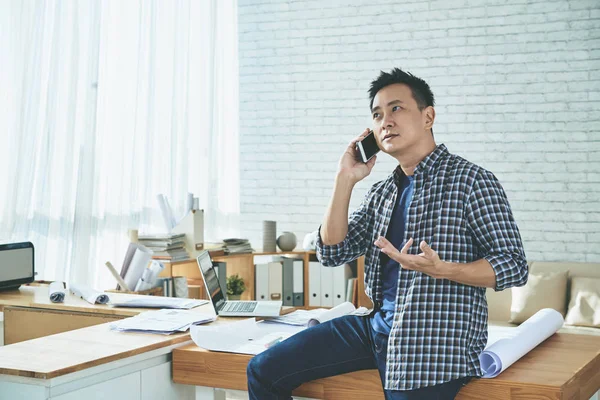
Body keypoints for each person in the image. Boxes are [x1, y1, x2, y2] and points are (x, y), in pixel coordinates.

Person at [247, 68, 528, 400]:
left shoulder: (472, 182)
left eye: (396, 108)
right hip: (375, 329)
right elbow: (333, 252)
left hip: (431, 345)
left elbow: (514, 266)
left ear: (428, 117)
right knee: (262, 369)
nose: (385, 121)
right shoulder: (381, 192)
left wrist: (443, 270)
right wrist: (345, 179)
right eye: (377, 115)